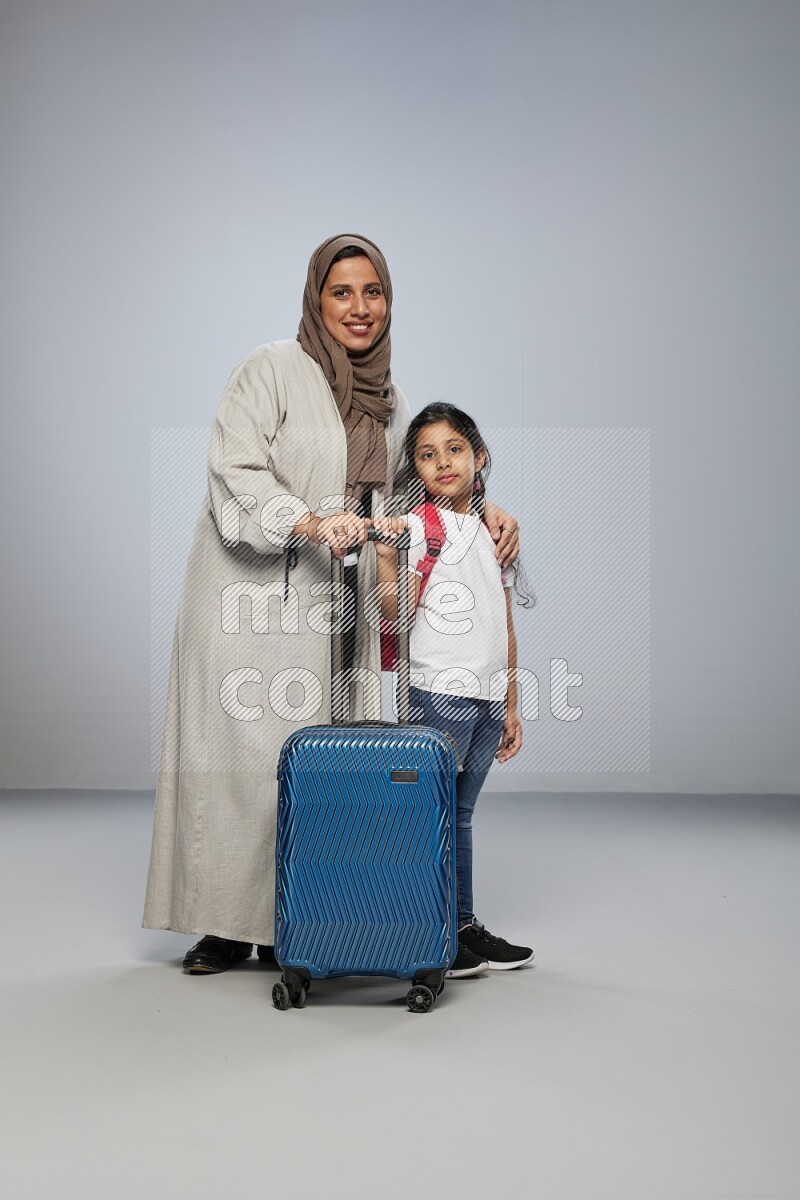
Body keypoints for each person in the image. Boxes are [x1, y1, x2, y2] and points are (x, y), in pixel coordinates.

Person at [143, 234, 522, 974]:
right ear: (316, 298)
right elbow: (236, 471)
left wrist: (490, 506)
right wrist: (308, 521)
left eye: (372, 292)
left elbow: (423, 491)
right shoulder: (270, 370)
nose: (359, 308)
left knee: (319, 765)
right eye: (341, 292)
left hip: (339, 609)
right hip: (252, 597)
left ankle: (305, 918)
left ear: (389, 303)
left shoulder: (391, 397)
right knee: (242, 761)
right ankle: (226, 925)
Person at [373, 402, 536, 976]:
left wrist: (511, 701)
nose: (442, 462)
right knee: (431, 813)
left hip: (488, 696)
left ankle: (461, 924)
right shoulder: (415, 526)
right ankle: (433, 929)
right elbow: (389, 609)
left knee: (459, 815)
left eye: (454, 449)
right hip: (437, 689)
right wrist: (390, 562)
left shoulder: (497, 533)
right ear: (415, 470)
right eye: (426, 454)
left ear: (479, 456)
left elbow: (506, 621)